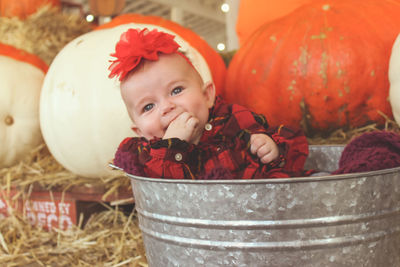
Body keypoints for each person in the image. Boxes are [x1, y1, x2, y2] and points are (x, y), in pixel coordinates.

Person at [109, 28, 310, 179]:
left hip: (259, 212)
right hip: (199, 229)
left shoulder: (232, 120)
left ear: (207, 95)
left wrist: (269, 147)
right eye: (148, 106)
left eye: (176, 90)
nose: (166, 106)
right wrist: (172, 146)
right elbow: (164, 194)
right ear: (140, 132)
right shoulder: (144, 156)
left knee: (316, 179)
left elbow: (288, 147)